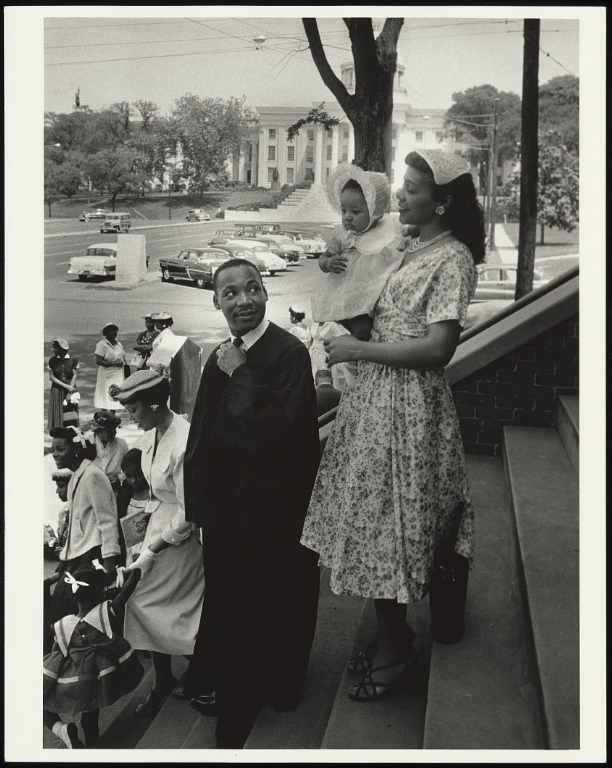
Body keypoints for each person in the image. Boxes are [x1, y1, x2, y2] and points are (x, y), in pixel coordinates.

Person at [301, 149, 485, 703]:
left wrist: (360, 347)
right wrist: (336, 264)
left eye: (410, 188)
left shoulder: (451, 258)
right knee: (372, 521)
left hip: (408, 405)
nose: (399, 196)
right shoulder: (407, 244)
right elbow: (363, 286)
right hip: (374, 399)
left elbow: (438, 347)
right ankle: (394, 632)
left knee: (388, 523)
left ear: (443, 202)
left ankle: (396, 644)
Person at [183, 259, 321, 749]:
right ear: (215, 301)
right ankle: (228, 681)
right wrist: (196, 506)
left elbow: (290, 439)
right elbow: (200, 436)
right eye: (230, 293)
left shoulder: (287, 353)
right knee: (229, 600)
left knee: (270, 601)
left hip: (274, 507)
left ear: (266, 293)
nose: (243, 301)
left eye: (252, 289)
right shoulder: (220, 354)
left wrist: (244, 375)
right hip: (226, 507)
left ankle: (268, 689)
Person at [111, 369, 205, 718]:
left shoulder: (183, 440)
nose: (129, 416)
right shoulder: (151, 435)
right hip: (156, 527)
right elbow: (152, 491)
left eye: (133, 408)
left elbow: (191, 509)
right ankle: (164, 677)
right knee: (139, 599)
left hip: (180, 537)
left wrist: (154, 548)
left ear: (153, 404)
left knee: (168, 606)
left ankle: (203, 667)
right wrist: (140, 535)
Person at [43, 564, 144, 748]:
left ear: (74, 597)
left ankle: (61, 729)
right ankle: (91, 745)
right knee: (89, 717)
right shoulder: (105, 613)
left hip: (72, 679)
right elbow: (125, 594)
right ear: (100, 593)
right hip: (97, 679)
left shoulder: (62, 625)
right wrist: (135, 573)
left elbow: (57, 651)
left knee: (37, 700)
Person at [47, 427, 121, 633]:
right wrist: (65, 557)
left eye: (60, 449)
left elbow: (107, 520)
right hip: (77, 554)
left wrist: (109, 562)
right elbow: (76, 523)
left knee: (72, 611)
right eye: (53, 449)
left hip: (91, 554)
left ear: (76, 450)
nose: (55, 454)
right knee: (60, 611)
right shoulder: (76, 475)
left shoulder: (92, 475)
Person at [116, 448, 150, 565]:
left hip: (149, 544)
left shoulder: (153, 493)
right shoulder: (125, 494)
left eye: (138, 475)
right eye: (129, 476)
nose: (133, 480)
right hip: (130, 547)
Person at [86, 410, 129, 494]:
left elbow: (129, 468)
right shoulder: (87, 443)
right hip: (92, 490)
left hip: (115, 491)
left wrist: (119, 478)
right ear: (98, 430)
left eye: (115, 429)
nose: (114, 432)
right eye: (110, 430)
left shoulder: (121, 444)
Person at [48, 339, 80, 430]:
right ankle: (59, 431)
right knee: (58, 411)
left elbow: (74, 375)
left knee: (71, 412)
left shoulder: (73, 359)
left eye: (56, 348)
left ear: (62, 349)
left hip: (71, 388)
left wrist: (70, 389)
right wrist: (67, 387)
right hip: (57, 390)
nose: (53, 350)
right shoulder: (52, 360)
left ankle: (71, 430)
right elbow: (52, 377)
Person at [94, 324, 127, 410]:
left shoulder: (118, 343)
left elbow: (122, 356)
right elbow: (99, 361)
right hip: (107, 374)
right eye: (110, 331)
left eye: (114, 331)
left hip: (118, 374)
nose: (113, 333)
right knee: (105, 395)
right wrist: (114, 364)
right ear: (106, 333)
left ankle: (113, 417)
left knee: (115, 395)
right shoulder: (102, 344)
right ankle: (105, 417)